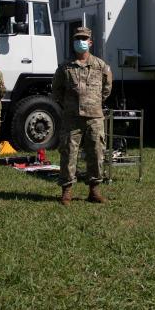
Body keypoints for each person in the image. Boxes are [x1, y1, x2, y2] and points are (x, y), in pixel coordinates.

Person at [52, 26, 112, 205]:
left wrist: (93, 103)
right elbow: (57, 90)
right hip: (72, 118)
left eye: (84, 39)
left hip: (94, 117)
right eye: (77, 39)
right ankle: (67, 191)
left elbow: (107, 88)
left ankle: (94, 191)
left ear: (90, 42)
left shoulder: (101, 66)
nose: (81, 42)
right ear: (73, 43)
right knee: (69, 153)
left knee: (96, 152)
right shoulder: (64, 68)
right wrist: (69, 105)